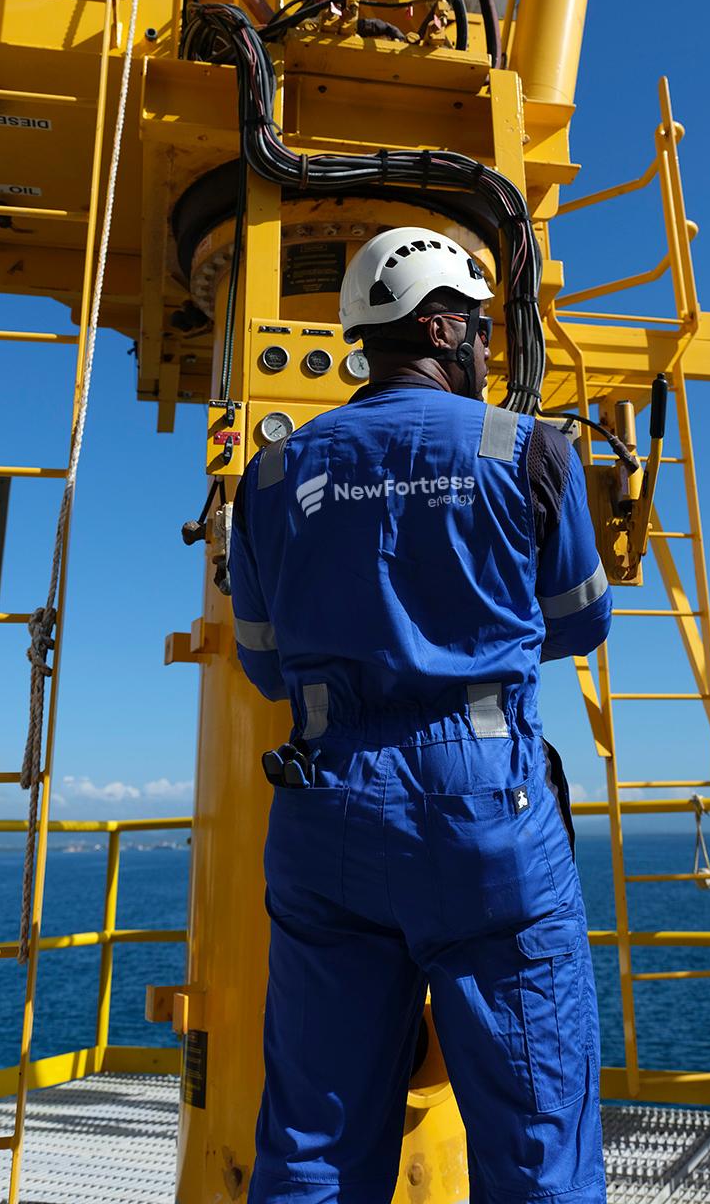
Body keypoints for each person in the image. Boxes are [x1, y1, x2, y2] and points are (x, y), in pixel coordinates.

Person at [229, 226, 612, 1204]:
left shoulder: (271, 472)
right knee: (535, 1145)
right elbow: (580, 622)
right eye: (479, 327)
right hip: (484, 807)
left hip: (326, 809)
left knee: (313, 1141)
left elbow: (265, 664)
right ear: (440, 325)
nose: (489, 346)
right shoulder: (532, 451)